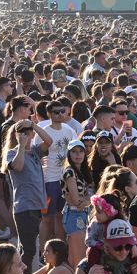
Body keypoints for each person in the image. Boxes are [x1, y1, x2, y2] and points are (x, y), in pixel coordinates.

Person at [1, 119, 52, 271]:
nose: (26, 134)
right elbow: (18, 166)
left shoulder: (35, 150)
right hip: (24, 207)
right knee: (29, 250)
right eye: (22, 131)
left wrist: (34, 125)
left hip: (36, 206)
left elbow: (49, 141)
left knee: (30, 248)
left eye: (28, 131)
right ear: (15, 134)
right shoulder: (11, 153)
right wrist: (21, 145)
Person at [39, 100, 77, 251]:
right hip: (48, 180)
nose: (60, 114)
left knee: (61, 217)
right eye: (56, 112)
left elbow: (75, 151)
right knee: (46, 218)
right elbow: (38, 156)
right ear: (49, 114)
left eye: (63, 111)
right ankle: (43, 251)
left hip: (65, 179)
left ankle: (59, 251)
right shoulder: (44, 131)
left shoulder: (68, 130)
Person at [62, 139, 93, 268]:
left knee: (78, 257)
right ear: (69, 154)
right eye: (74, 152)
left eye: (81, 151)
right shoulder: (70, 172)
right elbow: (76, 201)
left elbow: (87, 198)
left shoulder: (83, 172)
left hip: (82, 214)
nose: (78, 155)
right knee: (78, 259)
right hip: (74, 214)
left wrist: (87, 200)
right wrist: (90, 200)